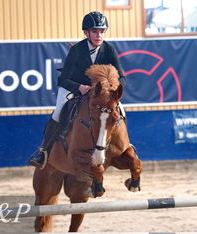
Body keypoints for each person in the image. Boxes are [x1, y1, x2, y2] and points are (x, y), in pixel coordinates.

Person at [29, 11, 126, 169]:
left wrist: (111, 89)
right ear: (86, 33)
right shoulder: (77, 50)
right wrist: (79, 87)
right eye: (95, 31)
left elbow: (122, 77)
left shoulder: (110, 49)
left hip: (100, 93)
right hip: (74, 88)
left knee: (120, 110)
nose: (99, 35)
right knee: (58, 112)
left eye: (102, 31)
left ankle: (127, 146)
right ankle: (43, 151)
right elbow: (63, 79)